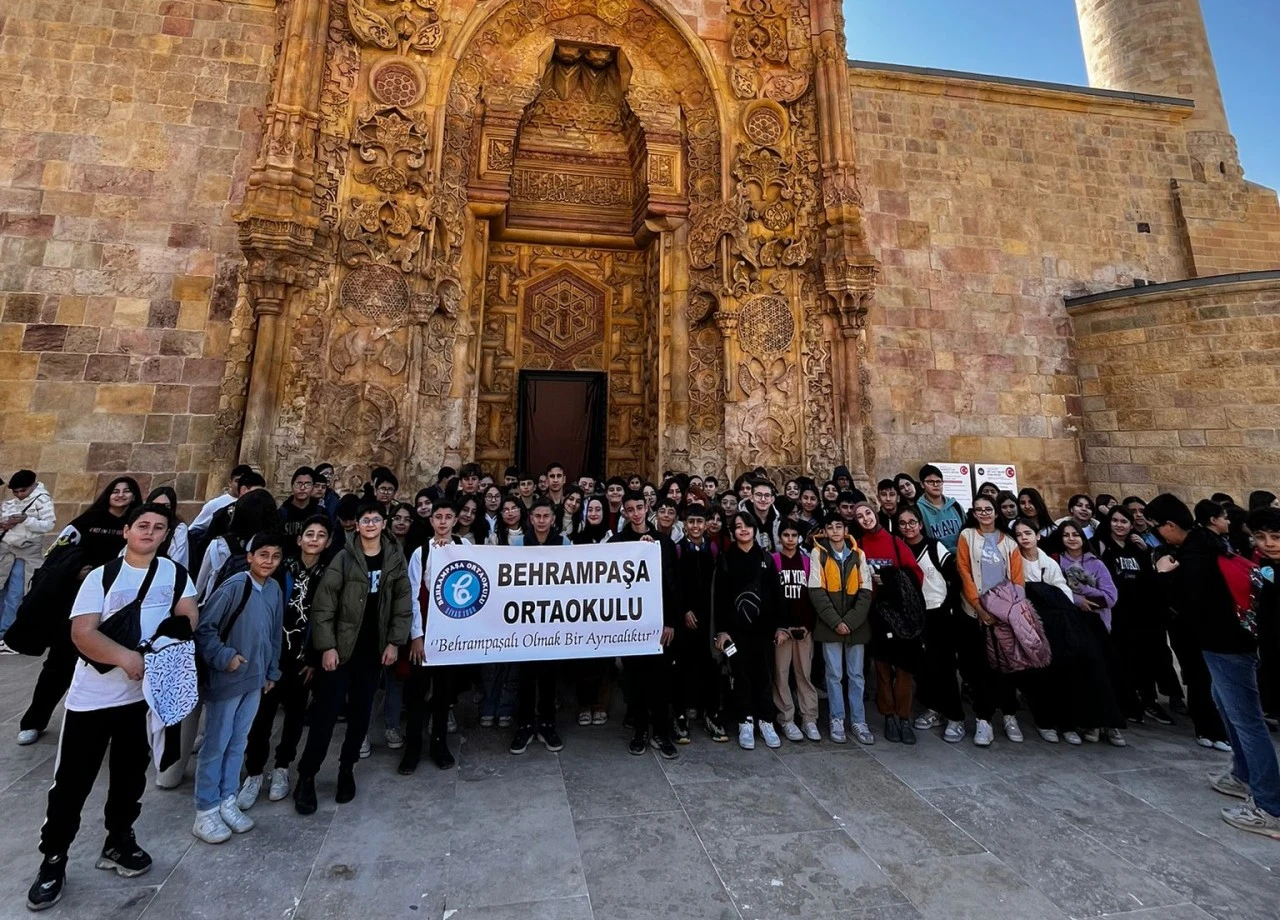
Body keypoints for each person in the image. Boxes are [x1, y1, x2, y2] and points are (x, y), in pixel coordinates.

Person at [25, 502, 198, 911]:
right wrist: (127, 657)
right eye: (143, 525)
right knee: (72, 781)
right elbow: (82, 634)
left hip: (142, 698)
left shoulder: (175, 574)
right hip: (95, 698)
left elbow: (187, 614)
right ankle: (54, 858)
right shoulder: (102, 576)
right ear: (126, 531)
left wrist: (167, 640)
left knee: (129, 776)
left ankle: (119, 840)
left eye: (159, 527)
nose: (150, 532)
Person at [1147, 493, 1280, 839]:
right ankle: (1243, 776)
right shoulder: (1212, 544)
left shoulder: (1195, 557)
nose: (1265, 544)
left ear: (1170, 526)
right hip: (1225, 645)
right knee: (1229, 710)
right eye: (1260, 537)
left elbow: (1190, 608)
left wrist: (1164, 577)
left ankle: (1271, 808)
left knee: (1247, 720)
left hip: (1228, 646)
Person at [293, 500, 411, 814]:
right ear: (356, 525)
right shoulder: (343, 559)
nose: (370, 524)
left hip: (373, 651)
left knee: (360, 715)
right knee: (326, 715)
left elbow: (402, 602)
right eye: (365, 520)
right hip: (342, 650)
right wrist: (327, 647)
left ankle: (347, 769)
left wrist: (394, 642)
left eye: (375, 518)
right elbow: (324, 606)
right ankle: (307, 775)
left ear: (383, 523)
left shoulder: (394, 558)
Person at [18, 476, 141, 746]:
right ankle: (33, 722)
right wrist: (76, 570)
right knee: (58, 666)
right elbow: (57, 552)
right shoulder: (85, 522)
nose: (120, 495)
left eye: (127, 491)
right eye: (116, 491)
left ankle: (99, 728)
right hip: (77, 604)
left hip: (113, 609)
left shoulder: (135, 525)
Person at [192, 533, 285, 844]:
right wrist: (226, 658)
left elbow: (274, 633)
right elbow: (205, 629)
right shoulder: (234, 586)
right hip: (228, 679)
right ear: (249, 556)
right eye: (262, 554)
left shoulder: (272, 589)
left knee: (238, 741)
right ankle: (206, 808)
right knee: (216, 742)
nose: (268, 561)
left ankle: (228, 798)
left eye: (274, 556)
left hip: (256, 679)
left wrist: (272, 670)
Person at [238, 515, 331, 810]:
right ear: (299, 538)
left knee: (294, 715)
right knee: (262, 717)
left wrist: (315, 658)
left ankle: (281, 767)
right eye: (309, 533)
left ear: (328, 542)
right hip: (273, 656)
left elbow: (327, 618)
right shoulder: (282, 570)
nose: (314, 539)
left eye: (320, 535)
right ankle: (253, 772)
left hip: (302, 658)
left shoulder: (328, 575)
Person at [611, 491, 680, 758]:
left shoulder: (663, 542)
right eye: (631, 509)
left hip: (658, 623)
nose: (636, 513)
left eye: (640, 507)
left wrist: (671, 622)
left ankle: (662, 732)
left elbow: (673, 586)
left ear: (646, 507)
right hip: (630, 625)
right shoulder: (617, 543)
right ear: (625, 513)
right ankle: (640, 730)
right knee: (635, 681)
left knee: (661, 681)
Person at [953, 495, 1025, 746]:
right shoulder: (967, 537)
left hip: (1004, 615)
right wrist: (979, 606)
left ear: (996, 513)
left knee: (1006, 666)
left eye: (988, 509)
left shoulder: (1010, 544)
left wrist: (1011, 611)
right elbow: (964, 570)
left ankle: (1008, 714)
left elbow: (1017, 580)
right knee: (978, 667)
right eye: (979, 509)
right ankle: (983, 719)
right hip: (975, 613)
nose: (984, 513)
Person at [402, 500, 466, 774]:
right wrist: (416, 635)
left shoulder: (466, 548)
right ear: (431, 521)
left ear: (455, 520)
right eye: (438, 517)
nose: (442, 521)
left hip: (452, 633)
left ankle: (439, 742)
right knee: (417, 692)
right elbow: (414, 594)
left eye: (447, 516)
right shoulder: (421, 552)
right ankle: (413, 746)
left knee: (444, 692)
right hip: (426, 629)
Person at [853, 501, 925, 745]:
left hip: (900, 615)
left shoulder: (896, 543)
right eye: (860, 516)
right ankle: (889, 716)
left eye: (868, 513)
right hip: (876, 614)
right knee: (882, 669)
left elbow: (915, 574)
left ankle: (904, 716)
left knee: (904, 670)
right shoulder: (859, 546)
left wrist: (890, 581)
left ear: (875, 514)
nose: (865, 518)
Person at [712, 512, 784, 750]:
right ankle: (745, 720)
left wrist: (779, 626)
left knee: (763, 674)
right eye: (738, 526)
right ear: (733, 531)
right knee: (739, 674)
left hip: (762, 629)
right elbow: (720, 598)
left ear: (754, 529)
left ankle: (765, 720)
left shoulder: (766, 558)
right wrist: (722, 630)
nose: (743, 530)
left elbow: (776, 593)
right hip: (735, 631)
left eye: (747, 526)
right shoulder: (725, 558)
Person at [1097, 506, 1175, 725]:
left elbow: (1149, 578)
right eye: (1115, 520)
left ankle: (1149, 700)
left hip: (1141, 612)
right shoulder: (1102, 545)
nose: (1119, 525)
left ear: (1131, 524)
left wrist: (1145, 551)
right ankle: (1127, 702)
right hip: (1116, 613)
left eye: (1124, 521)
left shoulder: (1138, 547)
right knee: (1121, 659)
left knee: (1145, 659)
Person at [507, 499, 572, 755]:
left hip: (553, 620)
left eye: (547, 515)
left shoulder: (565, 544)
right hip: (526, 620)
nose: (542, 520)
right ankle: (523, 725)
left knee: (548, 676)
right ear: (530, 518)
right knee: (525, 676)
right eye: (538, 516)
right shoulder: (518, 544)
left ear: (553, 519)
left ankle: (547, 724)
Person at [899, 507, 966, 743]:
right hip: (915, 616)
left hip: (938, 611)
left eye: (912, 522)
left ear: (920, 523)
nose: (908, 526)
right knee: (924, 666)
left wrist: (949, 605)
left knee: (945, 666)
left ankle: (955, 717)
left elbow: (954, 578)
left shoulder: (934, 546)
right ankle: (934, 709)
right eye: (903, 523)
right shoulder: (900, 550)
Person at [808, 511, 874, 744]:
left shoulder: (858, 554)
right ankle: (837, 718)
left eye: (840, 526)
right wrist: (837, 621)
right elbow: (816, 590)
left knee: (856, 675)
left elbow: (866, 591)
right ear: (824, 531)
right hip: (830, 625)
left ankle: (858, 720)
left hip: (856, 625)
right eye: (831, 527)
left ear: (846, 531)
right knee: (834, 674)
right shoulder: (819, 554)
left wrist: (851, 621)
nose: (835, 531)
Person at [771, 520, 819, 742]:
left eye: (794, 535)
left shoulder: (808, 561)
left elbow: (813, 596)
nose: (790, 539)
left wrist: (808, 625)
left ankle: (809, 718)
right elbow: (771, 597)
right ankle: (786, 718)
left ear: (799, 538)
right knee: (781, 675)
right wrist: (780, 625)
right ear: (779, 537)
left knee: (804, 674)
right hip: (782, 629)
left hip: (804, 629)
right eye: (786, 535)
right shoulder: (773, 561)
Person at [0, 470, 56, 648]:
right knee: (2, 589)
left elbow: (48, 524)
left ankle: (6, 633)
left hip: (26, 552)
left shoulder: (42, 500)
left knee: (16, 593)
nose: (18, 494)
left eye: (22, 490)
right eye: (15, 491)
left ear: (33, 486)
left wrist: (26, 520)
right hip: (6, 549)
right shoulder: (12, 501)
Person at [573, 497, 614, 727]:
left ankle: (601, 705)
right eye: (591, 509)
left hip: (607, 608)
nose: (595, 513)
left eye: (599, 509)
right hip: (582, 608)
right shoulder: (578, 539)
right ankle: (583, 705)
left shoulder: (614, 540)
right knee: (583, 660)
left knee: (604, 659)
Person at [916, 464, 966, 552]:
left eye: (939, 481)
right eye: (931, 482)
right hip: (936, 559)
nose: (936, 485)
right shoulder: (918, 509)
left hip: (961, 556)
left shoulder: (955, 505)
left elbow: (967, 530)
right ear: (922, 484)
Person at [191, 464, 253, 530]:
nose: (241, 485)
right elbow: (194, 529)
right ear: (230, 482)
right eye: (237, 481)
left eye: (245, 481)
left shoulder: (254, 504)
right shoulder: (214, 504)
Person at [144, 486, 189, 570]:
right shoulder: (141, 524)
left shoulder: (178, 529)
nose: (160, 510)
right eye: (156, 505)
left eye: (166, 506)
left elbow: (178, 559)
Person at [278, 467, 319, 542]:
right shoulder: (281, 513)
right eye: (299, 483)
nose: (302, 488)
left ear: (313, 487)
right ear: (292, 486)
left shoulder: (320, 512)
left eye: (307, 484)